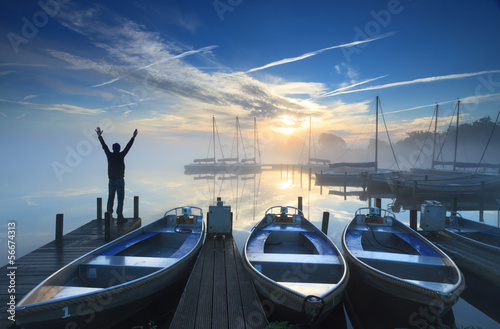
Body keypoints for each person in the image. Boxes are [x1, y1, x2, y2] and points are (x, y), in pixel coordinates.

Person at [95, 127, 138, 222]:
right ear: (119, 149)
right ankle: (119, 216)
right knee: (120, 199)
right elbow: (128, 147)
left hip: (111, 180)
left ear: (113, 149)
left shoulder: (109, 155)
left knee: (110, 198)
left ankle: (109, 215)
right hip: (119, 180)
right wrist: (133, 137)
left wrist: (99, 136)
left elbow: (104, 146)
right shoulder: (121, 155)